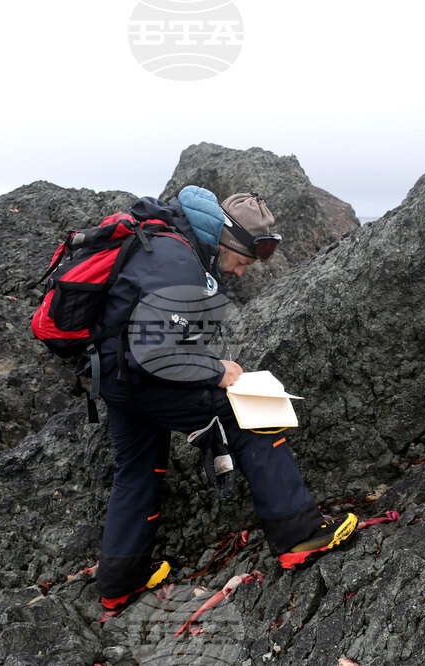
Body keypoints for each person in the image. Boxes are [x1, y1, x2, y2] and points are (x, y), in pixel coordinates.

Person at [95, 185, 357, 611]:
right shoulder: (177, 261)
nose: (239, 273)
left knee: (137, 470)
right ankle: (299, 536)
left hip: (113, 377)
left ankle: (119, 583)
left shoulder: (170, 246)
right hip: (137, 378)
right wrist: (215, 372)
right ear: (227, 241)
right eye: (241, 261)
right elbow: (153, 353)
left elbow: (148, 335)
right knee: (249, 414)